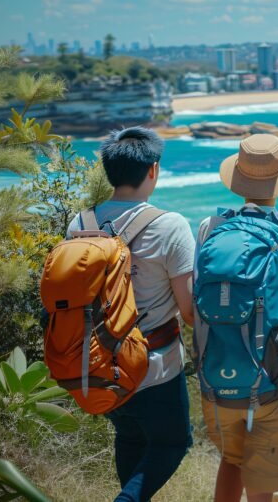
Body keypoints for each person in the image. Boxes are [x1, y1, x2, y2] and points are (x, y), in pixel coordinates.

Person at [65, 127, 194, 502]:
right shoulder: (170, 225)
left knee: (130, 435)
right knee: (172, 443)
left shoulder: (80, 224)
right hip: (154, 367)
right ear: (153, 170)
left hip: (95, 364)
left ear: (108, 171)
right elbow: (187, 311)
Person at [195, 134, 278, 502]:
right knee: (262, 477)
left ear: (238, 177)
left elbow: (196, 302)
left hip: (217, 367)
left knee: (231, 461)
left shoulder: (210, 228)